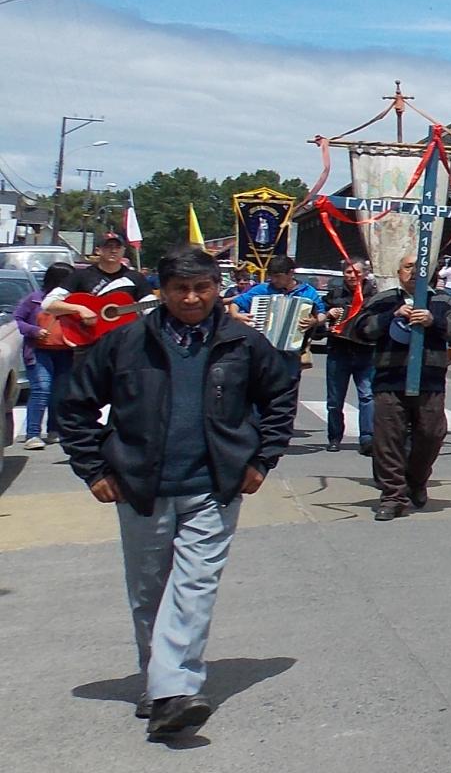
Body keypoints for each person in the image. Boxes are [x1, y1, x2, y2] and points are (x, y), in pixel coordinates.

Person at [55, 246, 297, 738]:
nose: (191, 297)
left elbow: (279, 396)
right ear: (161, 292)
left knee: (193, 587)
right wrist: (94, 470)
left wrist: (261, 458)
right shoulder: (125, 343)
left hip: (214, 485)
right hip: (140, 487)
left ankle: (175, 690)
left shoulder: (243, 344)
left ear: (216, 289)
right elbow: (75, 406)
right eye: (180, 289)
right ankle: (158, 682)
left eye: (202, 288)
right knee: (150, 591)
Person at [346, 255, 451, 521]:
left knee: (431, 433)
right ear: (398, 271)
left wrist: (432, 322)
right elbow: (359, 330)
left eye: (419, 268)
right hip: (390, 380)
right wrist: (389, 316)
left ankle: (416, 479)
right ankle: (392, 496)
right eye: (407, 267)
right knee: (388, 439)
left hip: (430, 381)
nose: (413, 272)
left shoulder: (442, 301)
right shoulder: (383, 300)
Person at [40, 232, 155, 416]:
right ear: (98, 250)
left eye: (117, 247)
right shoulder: (81, 276)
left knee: (124, 394)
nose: (113, 250)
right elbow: (48, 304)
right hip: (89, 345)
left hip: (125, 347)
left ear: (124, 251)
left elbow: (151, 310)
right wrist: (79, 309)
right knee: (85, 395)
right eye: (108, 246)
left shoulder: (135, 279)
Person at [229, 254, 328, 382]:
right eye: (272, 276)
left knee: (288, 387)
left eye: (278, 277)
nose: (274, 280)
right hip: (263, 350)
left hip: (292, 352)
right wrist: (236, 315)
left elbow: (322, 315)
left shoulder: (308, 292)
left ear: (291, 273)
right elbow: (237, 303)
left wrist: (314, 321)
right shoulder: (263, 289)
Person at [12, 261, 74, 450]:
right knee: (41, 389)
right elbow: (18, 320)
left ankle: (54, 430)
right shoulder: (35, 299)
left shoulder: (73, 301)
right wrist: (34, 330)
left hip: (66, 352)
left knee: (60, 393)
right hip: (39, 351)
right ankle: (32, 434)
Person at [321, 258, 379, 455]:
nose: (353, 276)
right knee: (335, 399)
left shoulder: (374, 295)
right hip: (339, 350)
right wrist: (329, 315)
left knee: (367, 395)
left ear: (364, 274)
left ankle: (367, 438)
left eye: (357, 272)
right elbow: (319, 325)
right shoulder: (334, 295)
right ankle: (334, 437)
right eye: (348, 272)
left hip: (366, 351)